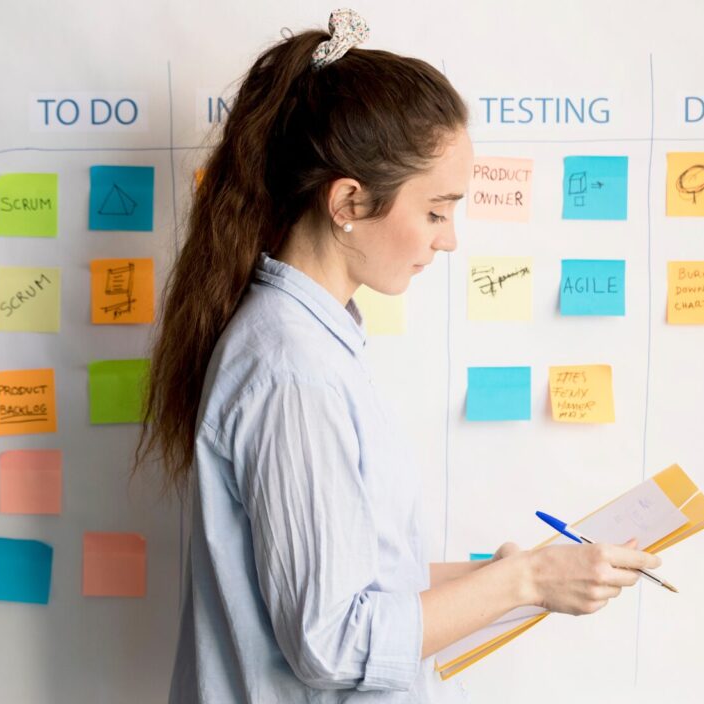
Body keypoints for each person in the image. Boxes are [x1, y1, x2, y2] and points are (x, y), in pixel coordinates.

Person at [136, 9, 662, 703]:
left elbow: (362, 583)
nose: (449, 241)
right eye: (438, 211)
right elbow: (333, 644)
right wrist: (526, 581)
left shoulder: (315, 343)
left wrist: (516, 579)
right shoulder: (292, 371)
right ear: (349, 202)